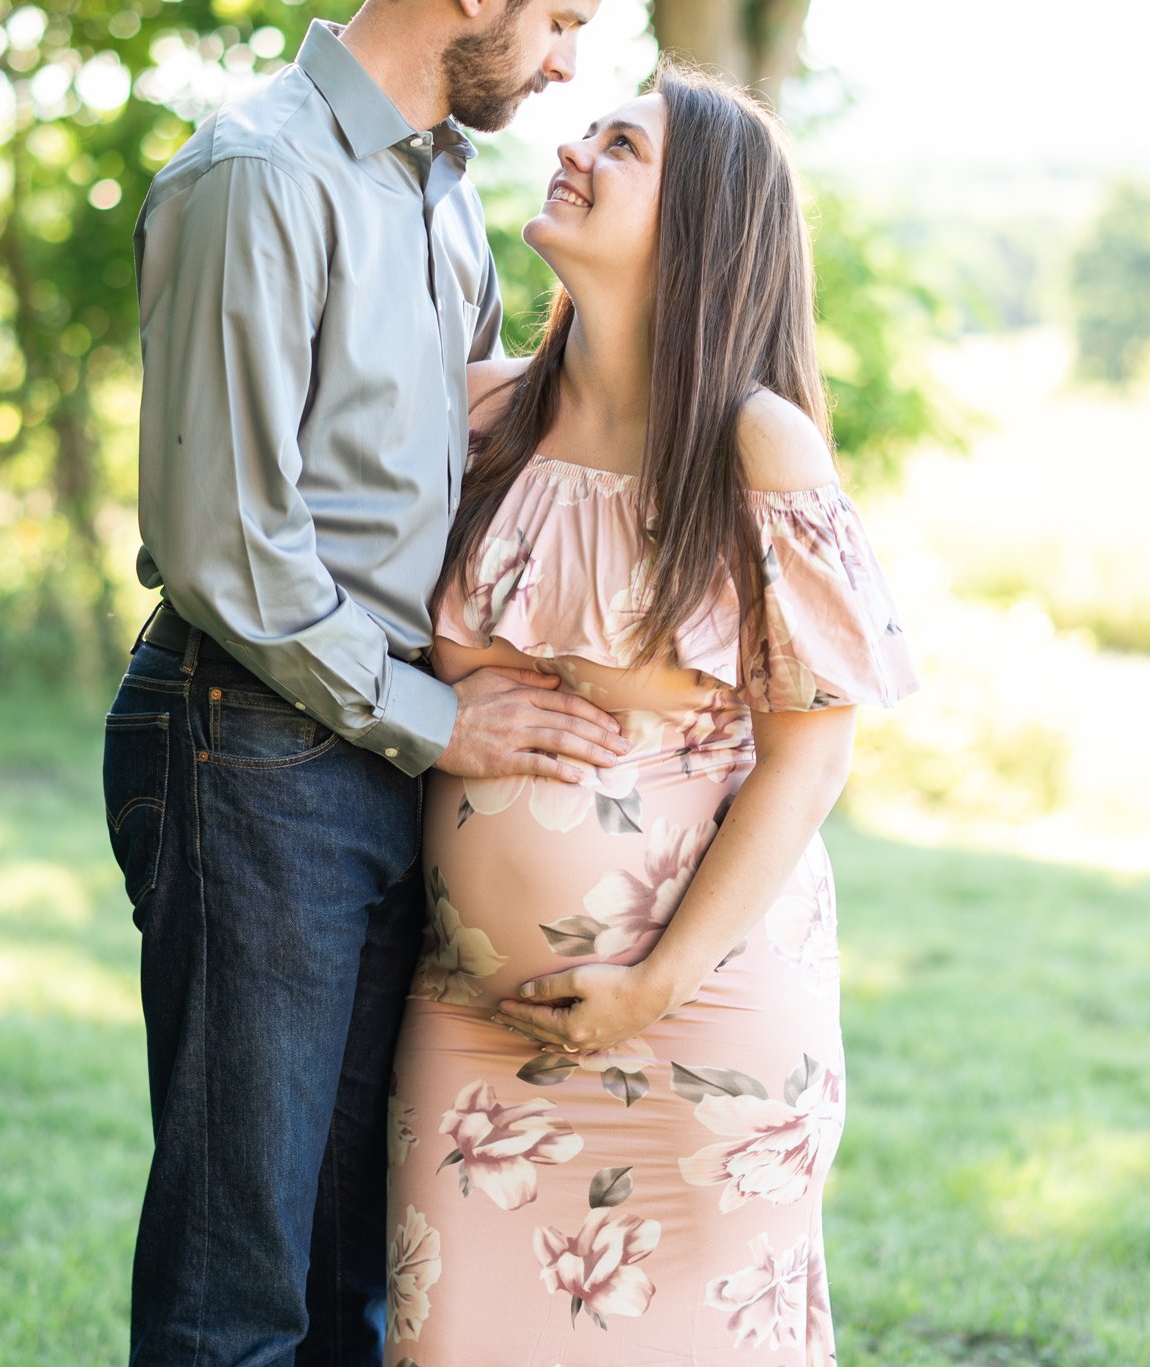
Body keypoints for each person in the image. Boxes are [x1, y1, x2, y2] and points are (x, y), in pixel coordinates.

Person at [382, 63, 920, 1363]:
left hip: (701, 1025)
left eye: (620, 144)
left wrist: (653, 985)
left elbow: (812, 751)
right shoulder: (480, 417)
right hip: (470, 1029)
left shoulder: (758, 445)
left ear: (699, 229)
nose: (574, 147)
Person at [101, 4, 614, 1364]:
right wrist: (443, 722)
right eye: (563, 14)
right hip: (255, 742)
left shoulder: (441, 189)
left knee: (359, 1284)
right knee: (241, 1280)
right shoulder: (259, 176)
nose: (569, 59)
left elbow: (450, 456)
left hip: (377, 753)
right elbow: (225, 542)